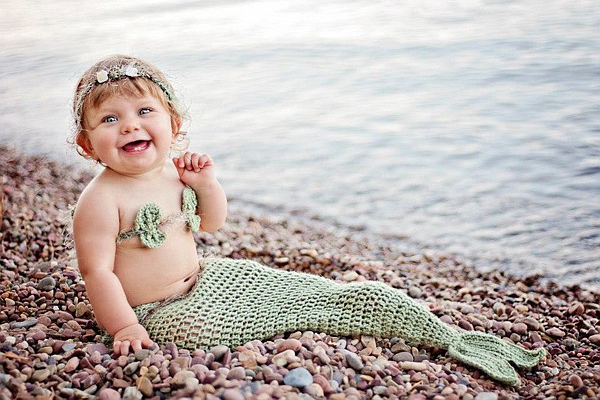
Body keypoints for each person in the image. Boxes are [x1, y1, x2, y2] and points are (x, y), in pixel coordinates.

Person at [71, 55, 545, 386]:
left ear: (173, 124)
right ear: (88, 145)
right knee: (217, 328)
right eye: (110, 119)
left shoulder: (176, 174)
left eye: (144, 111)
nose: (130, 124)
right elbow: (99, 272)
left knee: (304, 288)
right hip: (156, 309)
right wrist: (125, 327)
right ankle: (326, 317)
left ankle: (442, 333)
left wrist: (208, 185)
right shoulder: (100, 200)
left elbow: (211, 225)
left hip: (206, 274)